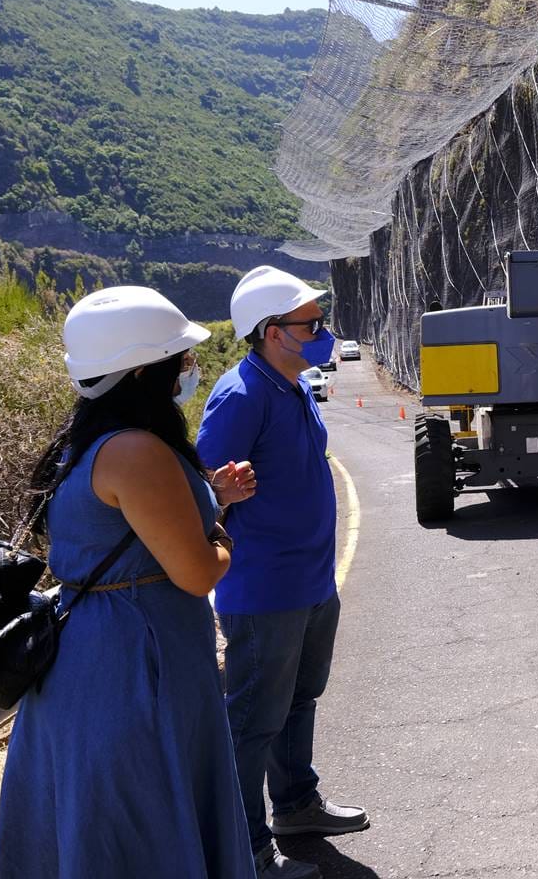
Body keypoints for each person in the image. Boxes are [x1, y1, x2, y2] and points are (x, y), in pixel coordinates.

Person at [0, 286, 258, 878]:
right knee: (152, 824)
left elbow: (129, 533)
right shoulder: (137, 449)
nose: (185, 371)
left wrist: (210, 497)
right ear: (142, 369)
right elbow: (196, 572)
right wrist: (221, 537)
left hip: (98, 659)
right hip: (138, 665)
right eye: (180, 360)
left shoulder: (86, 442)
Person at [198, 266, 367, 879]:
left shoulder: (292, 383)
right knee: (252, 721)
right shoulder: (240, 395)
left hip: (311, 584)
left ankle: (296, 807)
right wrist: (216, 492)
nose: (321, 331)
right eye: (310, 324)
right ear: (272, 332)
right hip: (265, 591)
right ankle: (248, 853)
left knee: (299, 700)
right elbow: (199, 488)